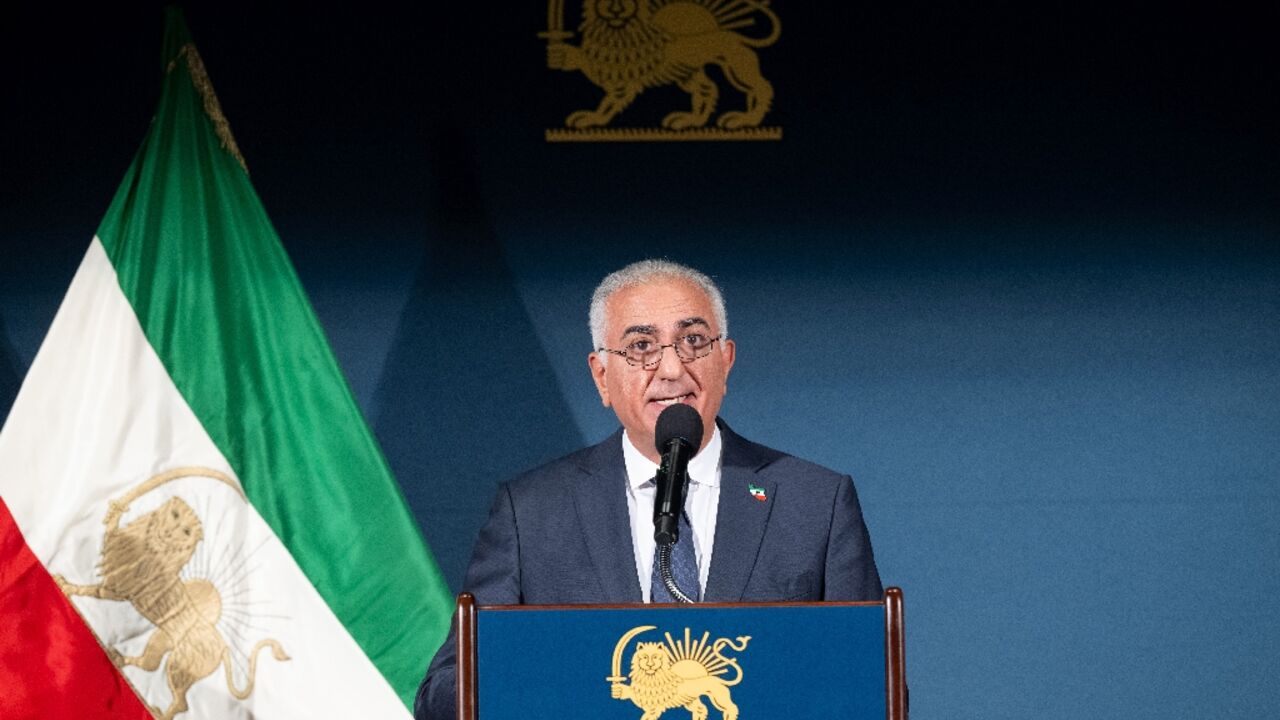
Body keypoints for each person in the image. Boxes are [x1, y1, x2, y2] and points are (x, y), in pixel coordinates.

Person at [413, 260, 883, 720]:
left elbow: (876, 684)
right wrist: (552, 673)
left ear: (726, 359)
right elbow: (443, 694)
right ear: (602, 376)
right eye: (641, 346)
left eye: (693, 341)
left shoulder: (815, 502)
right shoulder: (532, 512)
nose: (672, 369)